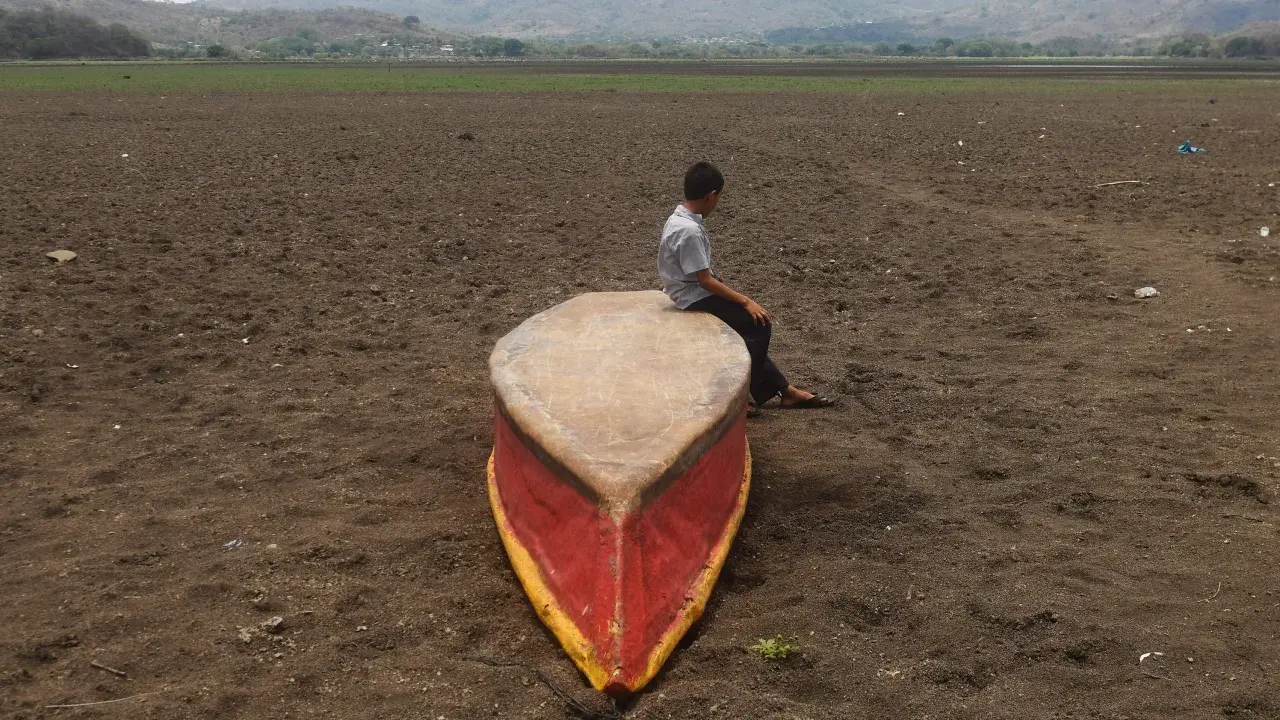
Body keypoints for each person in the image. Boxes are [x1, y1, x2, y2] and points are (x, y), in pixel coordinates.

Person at [658, 161, 834, 411]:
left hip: (685, 290)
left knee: (747, 327)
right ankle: (734, 395)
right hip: (691, 296)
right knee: (757, 324)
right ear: (711, 196)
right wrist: (745, 300)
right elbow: (705, 281)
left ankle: (786, 390)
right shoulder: (689, 231)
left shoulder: (679, 219)